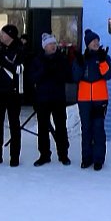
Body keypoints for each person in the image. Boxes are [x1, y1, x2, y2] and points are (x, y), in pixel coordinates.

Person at [0, 24, 25, 168]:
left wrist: (3, 61)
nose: (1, 35)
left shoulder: (20, 49)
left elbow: (20, 69)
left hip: (13, 93)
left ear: (11, 35)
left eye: (3, 33)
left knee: (14, 124)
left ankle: (14, 156)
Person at [72, 29, 111, 170]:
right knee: (86, 129)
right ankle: (86, 158)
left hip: (100, 98)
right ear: (87, 44)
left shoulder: (104, 57)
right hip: (84, 99)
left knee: (98, 128)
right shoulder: (82, 57)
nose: (96, 43)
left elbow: (107, 75)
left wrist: (102, 61)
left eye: (97, 40)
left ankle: (98, 159)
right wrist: (79, 64)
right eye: (92, 41)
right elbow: (75, 77)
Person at [29, 33, 71, 167]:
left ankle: (63, 154)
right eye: (50, 44)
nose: (53, 46)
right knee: (42, 128)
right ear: (45, 46)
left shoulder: (61, 58)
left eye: (54, 44)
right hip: (43, 98)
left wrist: (57, 71)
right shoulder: (38, 60)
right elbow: (32, 78)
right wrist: (44, 70)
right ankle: (44, 155)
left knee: (61, 127)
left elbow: (68, 76)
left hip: (58, 98)